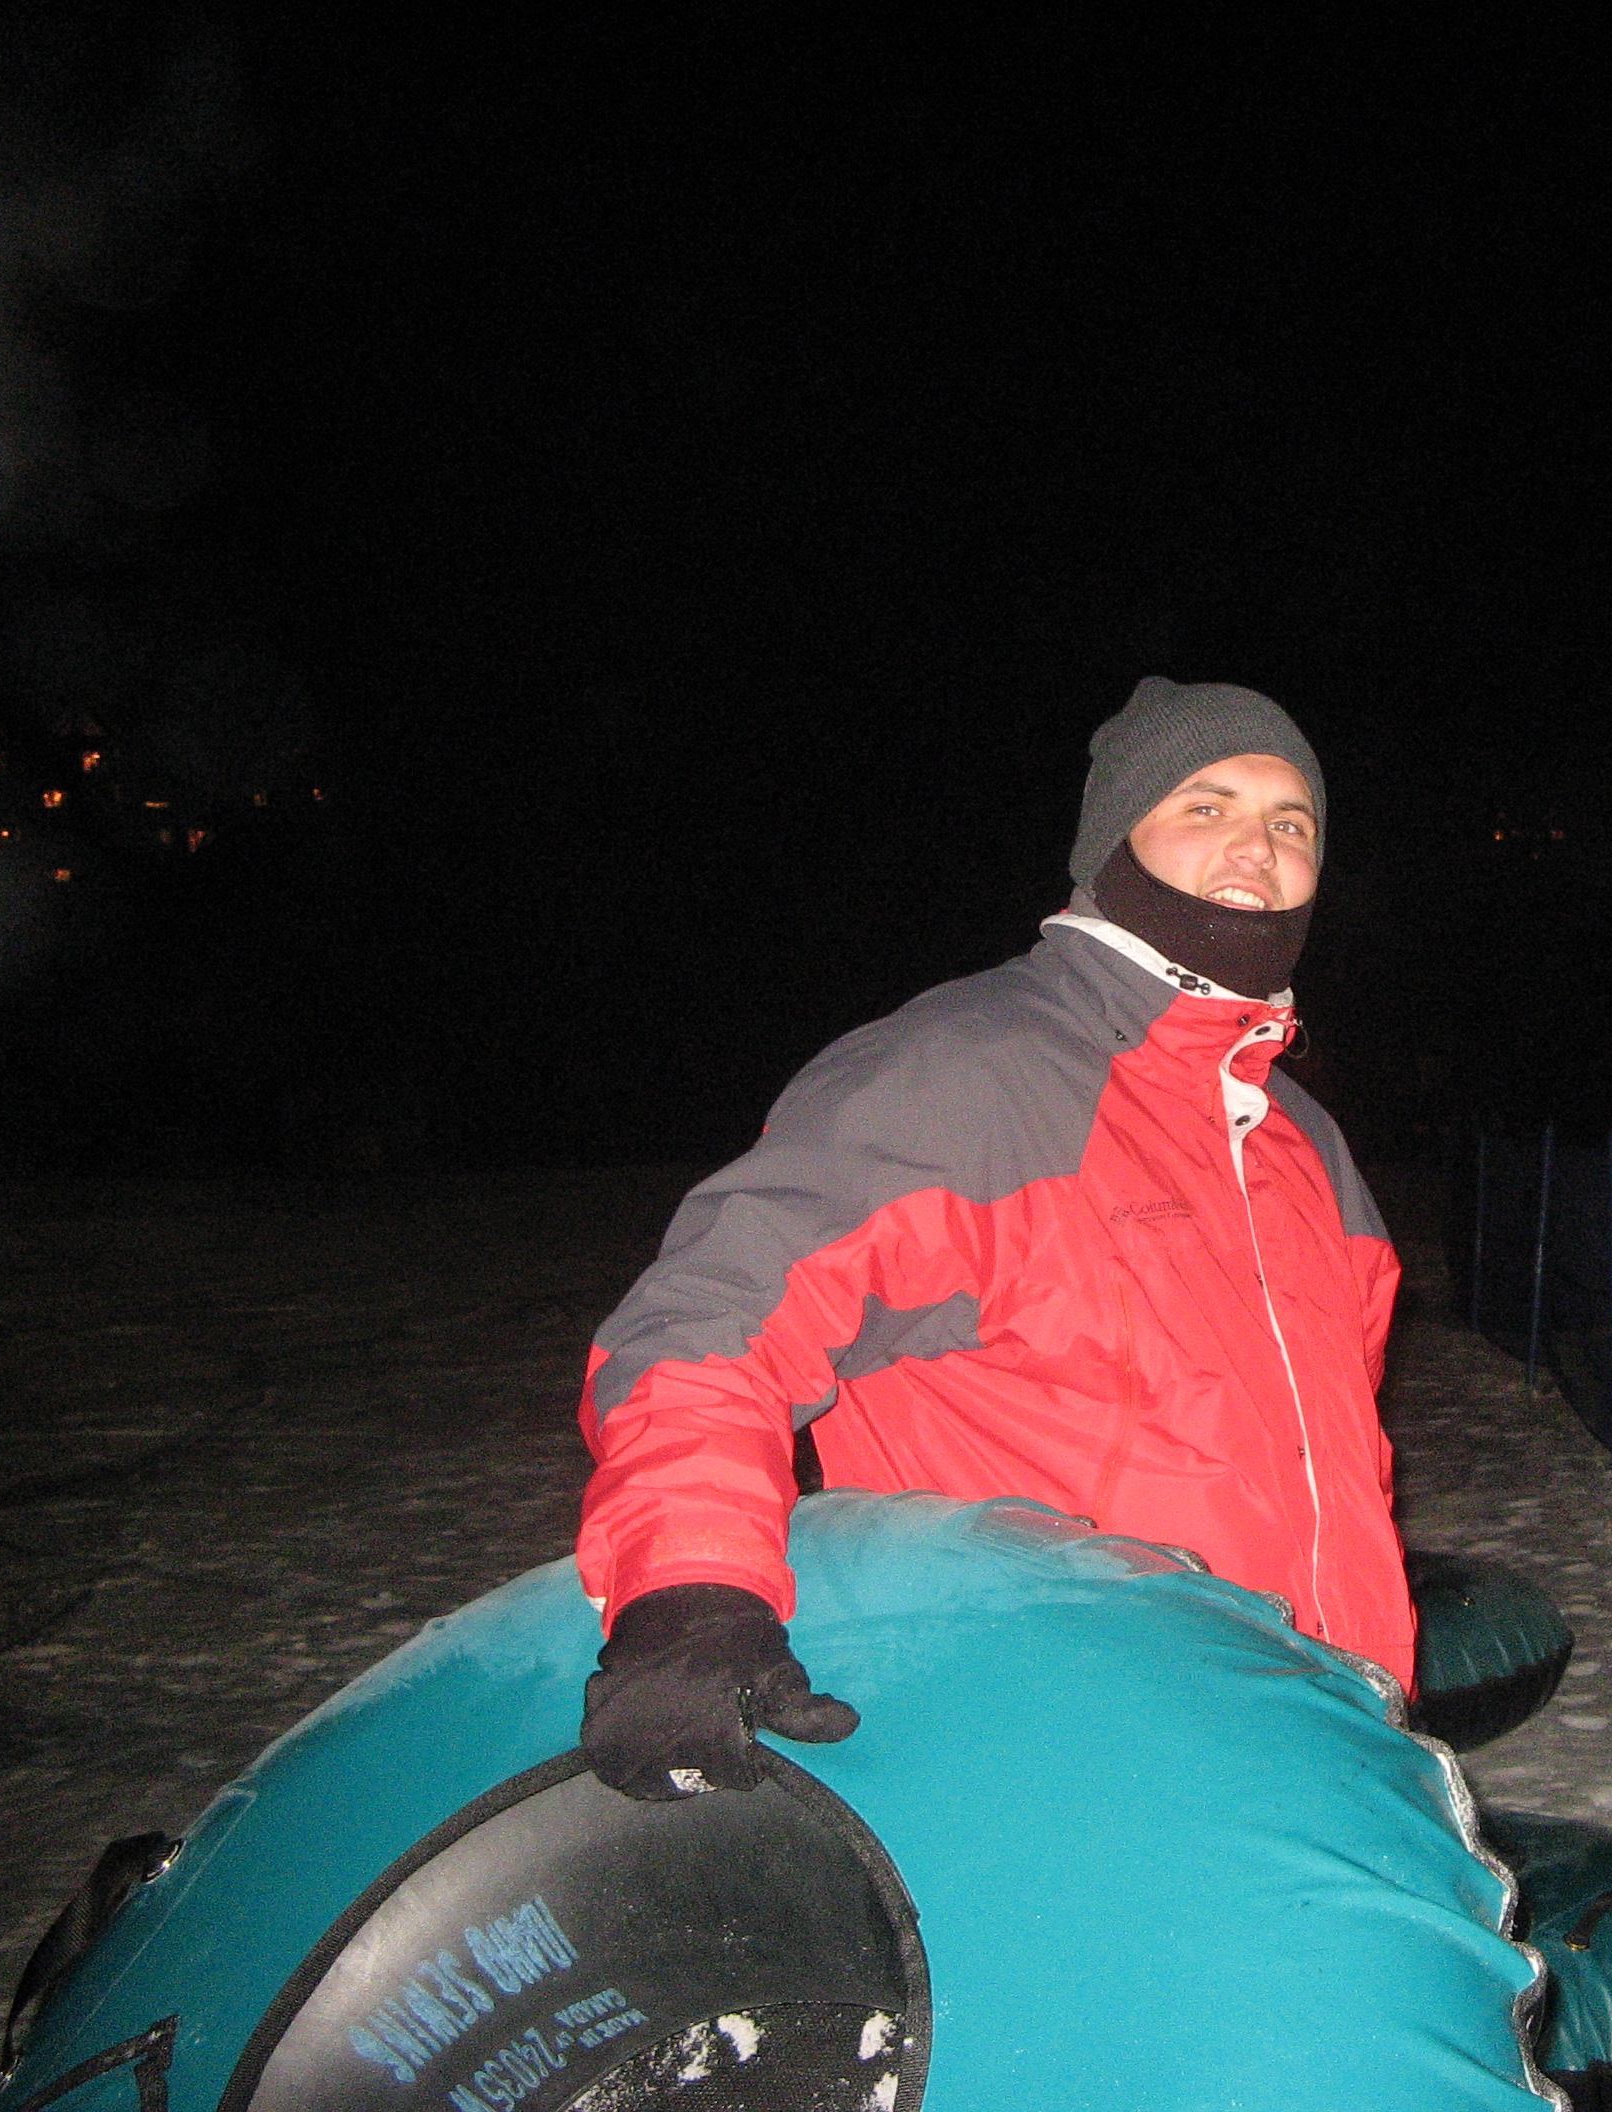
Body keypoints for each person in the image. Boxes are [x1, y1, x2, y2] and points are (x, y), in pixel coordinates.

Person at [574, 678, 1411, 1799]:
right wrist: (689, 1591)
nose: (1256, 848)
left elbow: (1336, 1467)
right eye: (1205, 806)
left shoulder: (1304, 1144)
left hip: (1326, 1752)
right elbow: (706, 1325)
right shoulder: (967, 1077)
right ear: (1113, 840)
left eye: (1290, 823)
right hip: (1053, 1757)